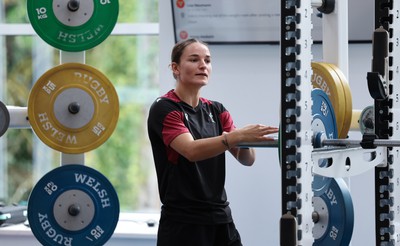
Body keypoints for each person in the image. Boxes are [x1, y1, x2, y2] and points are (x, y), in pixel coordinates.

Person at [147, 38, 279, 246]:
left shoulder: (217, 110)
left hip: (221, 218)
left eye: (207, 61)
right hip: (184, 223)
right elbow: (191, 150)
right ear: (175, 68)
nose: (203, 65)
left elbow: (247, 159)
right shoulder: (165, 109)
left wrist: (248, 139)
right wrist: (237, 136)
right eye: (194, 59)